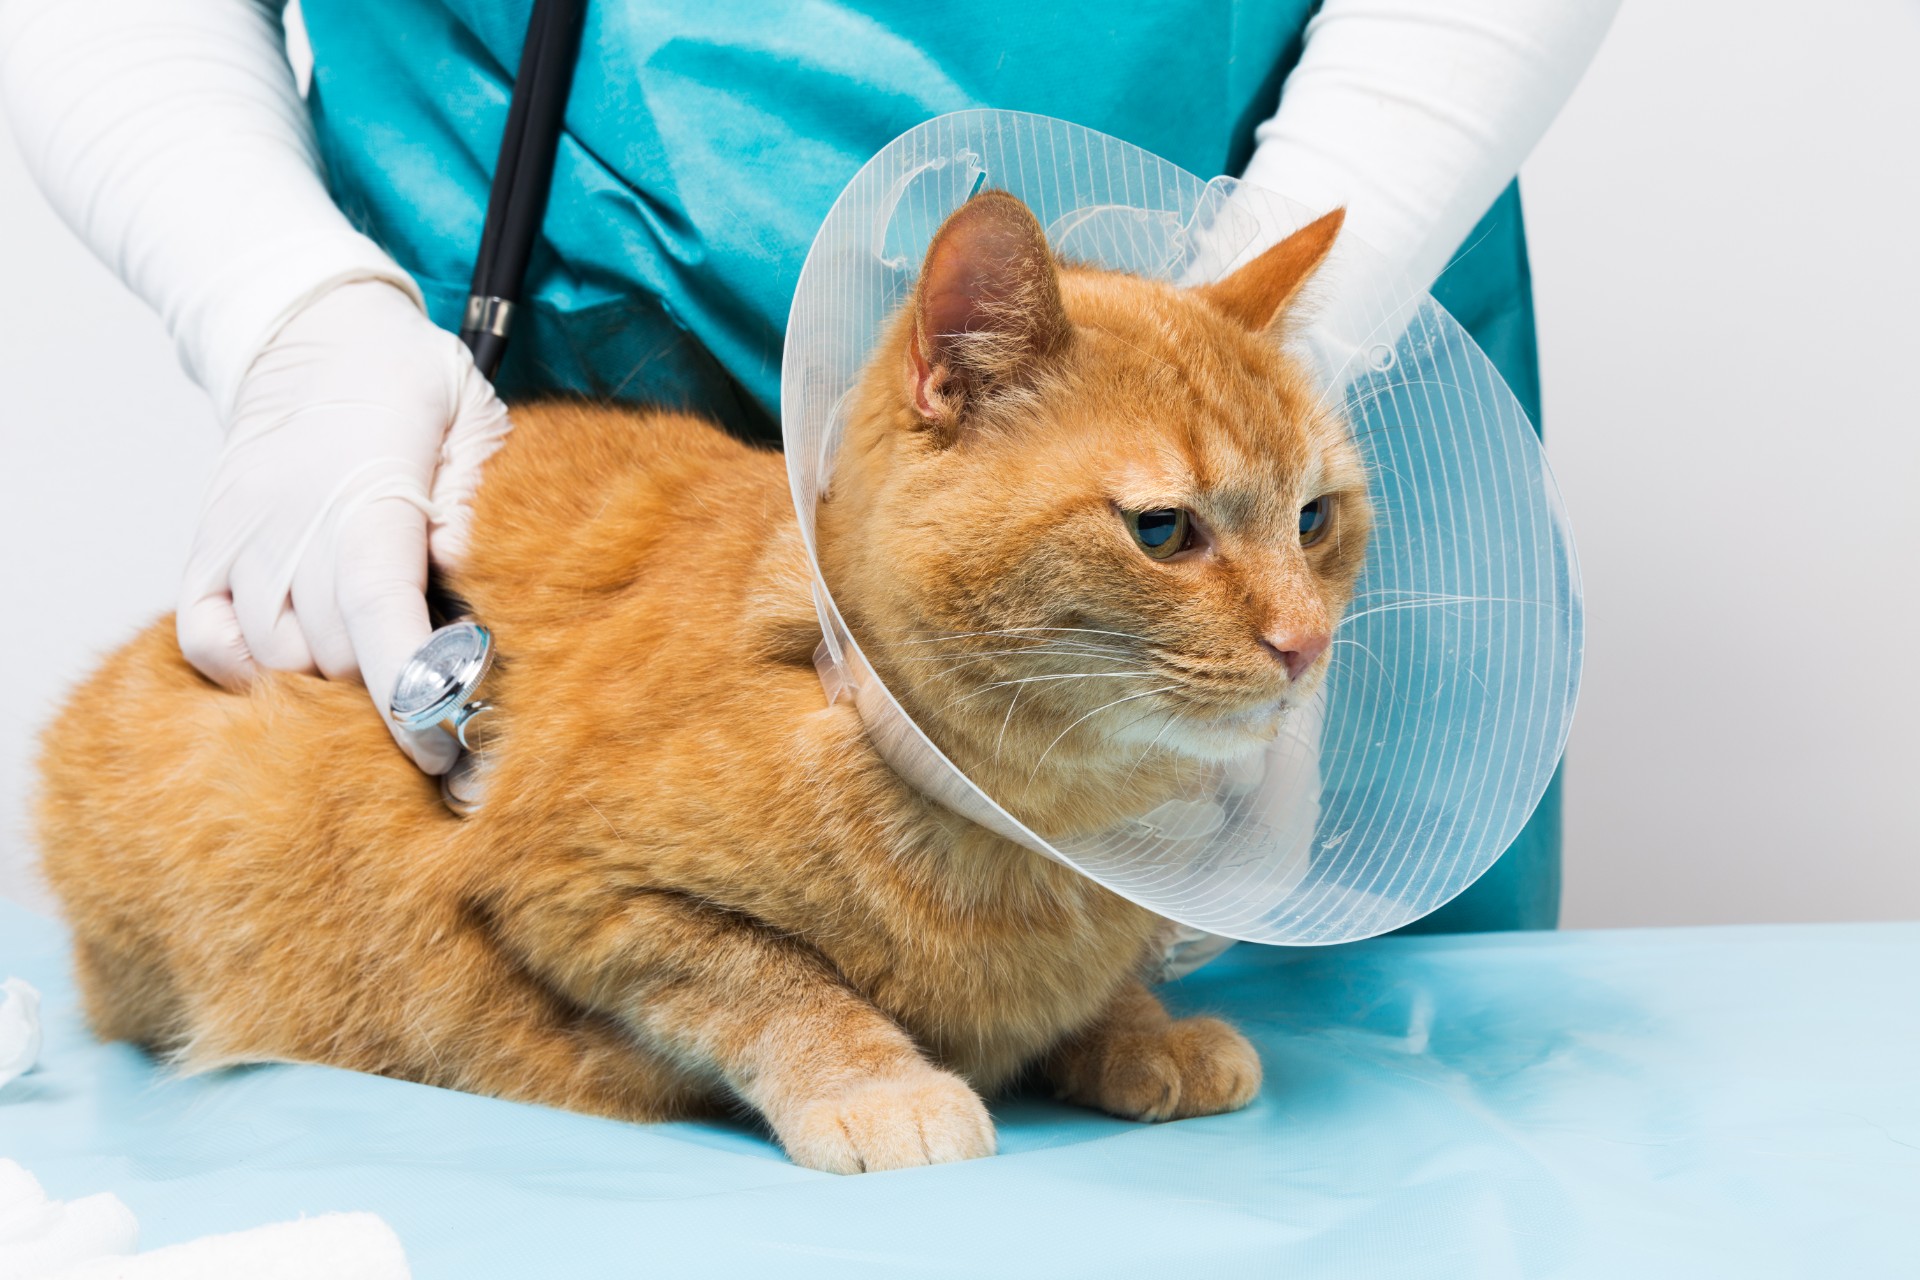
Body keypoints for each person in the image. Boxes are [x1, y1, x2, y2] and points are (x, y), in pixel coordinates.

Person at [0, 0, 1616, 931]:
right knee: (545, 968)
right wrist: (284, 307)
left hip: (1254, 240)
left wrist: (1279, 345)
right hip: (561, 337)